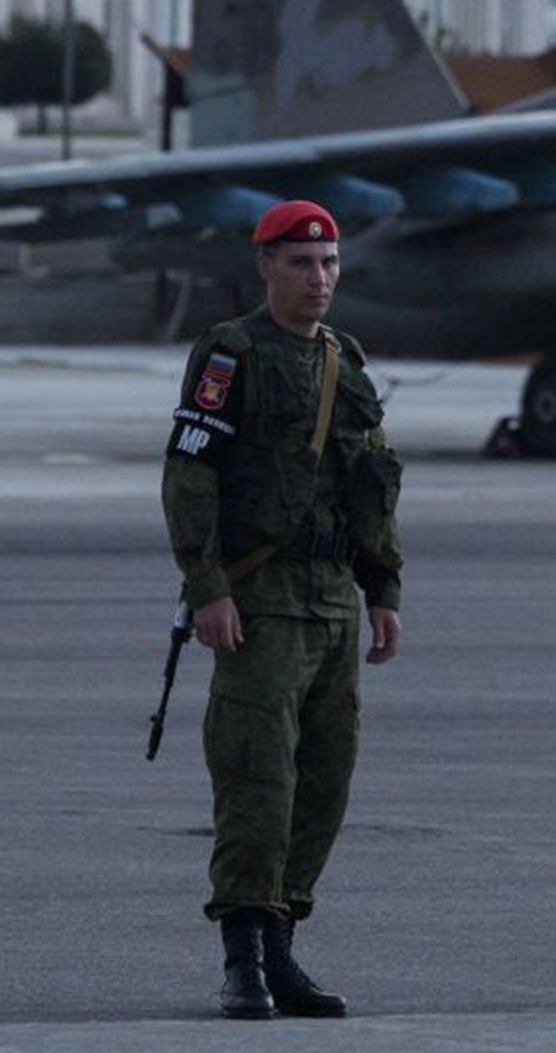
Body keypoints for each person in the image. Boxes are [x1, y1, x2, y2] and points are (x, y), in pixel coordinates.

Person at [160, 199, 404, 1020]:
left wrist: (383, 590)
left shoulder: (348, 360)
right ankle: (242, 959)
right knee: (257, 783)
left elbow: (369, 485)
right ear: (265, 266)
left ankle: (283, 948)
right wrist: (209, 589)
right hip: (258, 604)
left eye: (330, 263)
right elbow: (189, 476)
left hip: (332, 602)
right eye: (301, 263)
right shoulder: (230, 354)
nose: (319, 278)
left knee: (322, 788)